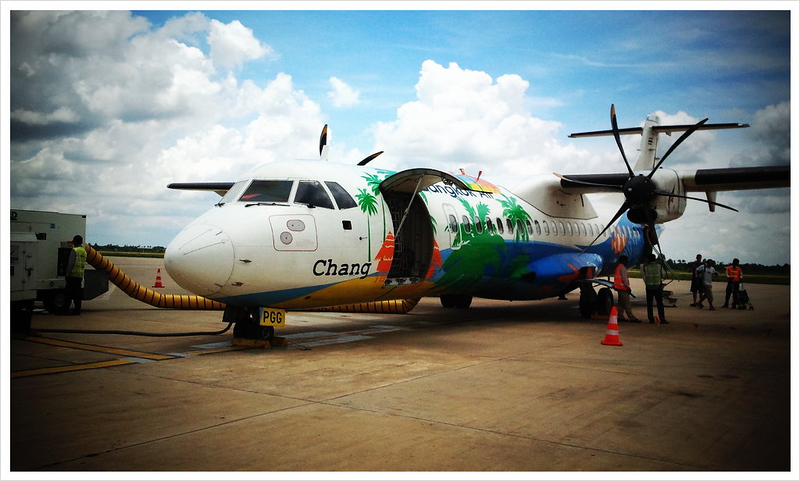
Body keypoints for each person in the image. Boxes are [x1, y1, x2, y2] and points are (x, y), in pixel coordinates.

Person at [64, 234, 87, 315]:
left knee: (68, 294)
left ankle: (65, 310)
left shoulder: (74, 250)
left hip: (72, 275)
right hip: (79, 276)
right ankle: (77, 310)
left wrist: (67, 274)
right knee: (77, 295)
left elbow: (71, 263)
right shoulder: (84, 251)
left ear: (75, 242)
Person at [642, 253, 668, 324]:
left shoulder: (646, 267)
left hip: (649, 286)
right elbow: (663, 275)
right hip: (657, 286)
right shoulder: (659, 266)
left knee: (649, 303)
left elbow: (644, 276)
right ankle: (662, 318)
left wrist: (647, 282)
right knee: (659, 303)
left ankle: (651, 318)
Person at [613, 255, 640, 322]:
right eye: (626, 260)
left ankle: (620, 316)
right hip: (623, 288)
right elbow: (624, 279)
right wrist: (628, 287)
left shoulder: (618, 267)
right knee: (626, 303)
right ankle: (631, 317)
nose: (627, 262)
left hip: (618, 287)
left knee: (621, 303)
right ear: (623, 261)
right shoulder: (623, 268)